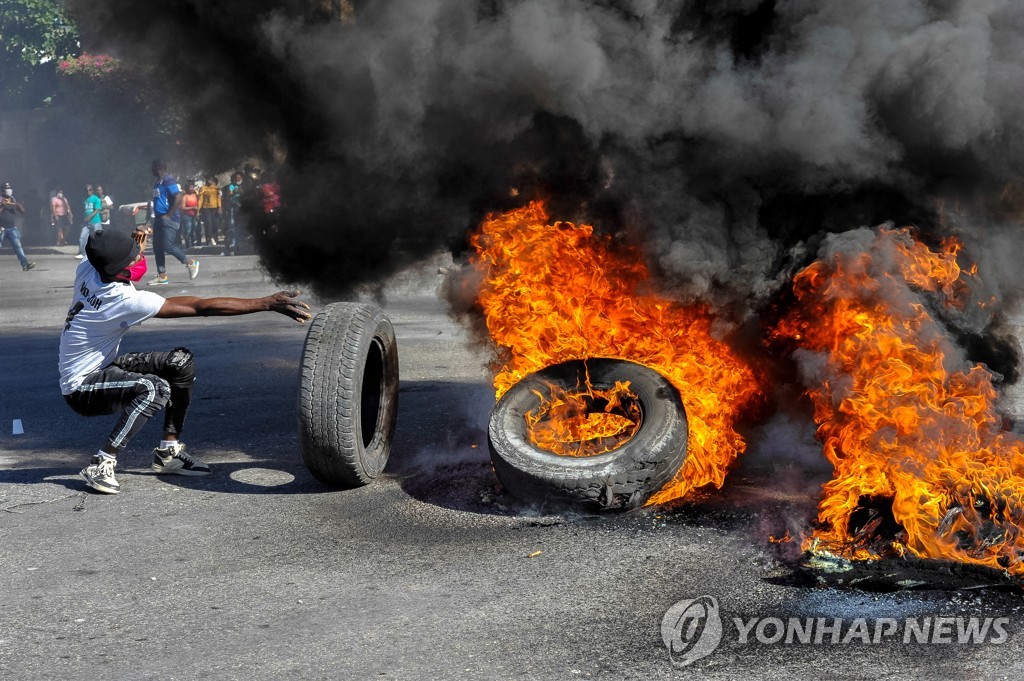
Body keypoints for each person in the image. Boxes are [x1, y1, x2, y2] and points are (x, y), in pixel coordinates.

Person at [59, 227, 311, 494]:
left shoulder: (89, 267)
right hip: (81, 388)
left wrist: (129, 247)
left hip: (101, 368)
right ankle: (102, 462)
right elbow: (200, 306)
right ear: (118, 269)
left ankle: (168, 453)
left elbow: (101, 247)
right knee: (154, 389)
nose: (139, 258)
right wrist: (265, 303)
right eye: (134, 257)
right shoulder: (123, 299)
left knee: (180, 362)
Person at [149, 159, 199, 285]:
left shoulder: (168, 180)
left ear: (158, 168)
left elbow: (178, 196)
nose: (151, 169)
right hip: (159, 219)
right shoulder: (158, 182)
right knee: (157, 247)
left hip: (169, 219)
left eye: (153, 167)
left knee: (168, 245)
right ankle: (162, 276)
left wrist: (169, 214)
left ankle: (191, 263)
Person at [1, 182, 35, 271]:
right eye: (6, 188)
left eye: (9, 188)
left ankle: (25, 265)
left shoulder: (12, 199)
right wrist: (3, 205)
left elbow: (23, 211)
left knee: (18, 247)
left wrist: (15, 204)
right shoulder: (0, 200)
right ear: (2, 190)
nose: (9, 190)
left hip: (12, 228)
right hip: (1, 228)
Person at [77, 185, 104, 259]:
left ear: (92, 190)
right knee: (82, 237)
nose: (88, 192)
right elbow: (84, 211)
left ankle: (100, 253)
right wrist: (83, 220)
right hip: (86, 223)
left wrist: (90, 217)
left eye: (90, 190)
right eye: (86, 190)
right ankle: (82, 253)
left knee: (98, 238)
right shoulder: (84, 199)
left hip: (96, 221)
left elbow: (97, 209)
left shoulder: (96, 199)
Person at [222, 171, 244, 256]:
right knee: (233, 225)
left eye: (239, 178)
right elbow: (230, 193)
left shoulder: (243, 186)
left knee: (241, 226)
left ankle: (240, 243)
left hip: (243, 208)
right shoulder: (232, 186)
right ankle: (233, 244)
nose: (238, 179)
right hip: (234, 207)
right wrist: (236, 191)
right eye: (236, 178)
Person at [197, 176, 221, 245]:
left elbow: (218, 198)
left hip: (215, 208)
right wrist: (198, 210)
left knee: (215, 224)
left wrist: (219, 207)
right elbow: (200, 200)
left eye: (211, 180)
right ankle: (208, 240)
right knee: (208, 224)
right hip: (206, 208)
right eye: (208, 179)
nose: (210, 181)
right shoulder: (203, 188)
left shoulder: (216, 188)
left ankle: (215, 239)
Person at [179, 178, 200, 248]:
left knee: (194, 229)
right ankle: (187, 243)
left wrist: (197, 212)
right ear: (187, 188)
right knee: (188, 230)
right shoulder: (185, 197)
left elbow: (198, 205)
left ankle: (193, 242)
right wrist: (192, 208)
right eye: (190, 188)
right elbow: (182, 208)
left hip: (194, 215)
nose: (191, 189)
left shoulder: (195, 195)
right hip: (187, 216)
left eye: (192, 187)